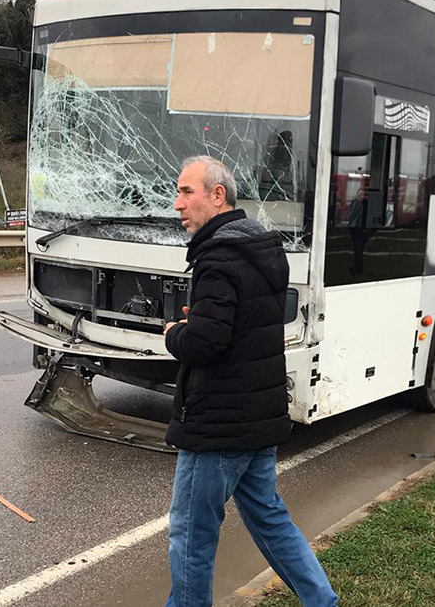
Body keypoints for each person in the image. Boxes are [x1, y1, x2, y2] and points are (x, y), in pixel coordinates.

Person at [163, 155, 337, 607]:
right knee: (270, 520)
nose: (177, 204)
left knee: (191, 536)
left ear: (217, 195)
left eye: (186, 192)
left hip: (219, 423)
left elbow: (206, 343)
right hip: (258, 416)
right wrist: (203, 320)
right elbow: (247, 321)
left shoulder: (218, 257)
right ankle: (323, 601)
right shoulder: (260, 247)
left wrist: (176, 333)